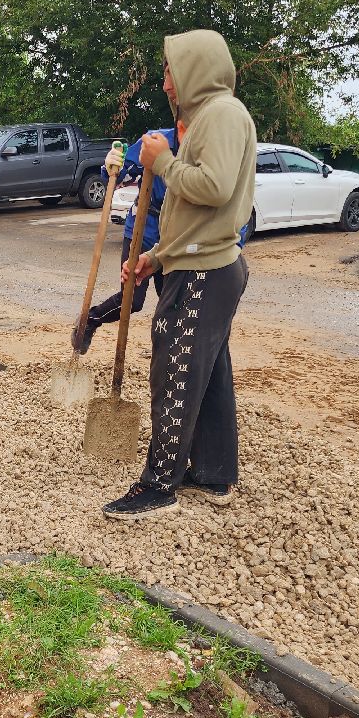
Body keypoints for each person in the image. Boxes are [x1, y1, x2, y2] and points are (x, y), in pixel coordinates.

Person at [103, 30, 256, 520]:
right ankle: (213, 473)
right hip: (193, 263)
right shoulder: (205, 118)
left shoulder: (223, 115)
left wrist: (161, 161)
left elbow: (213, 188)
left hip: (207, 273)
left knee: (175, 372)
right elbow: (191, 214)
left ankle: (159, 485)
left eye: (170, 71)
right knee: (207, 375)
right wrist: (157, 257)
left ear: (195, 69)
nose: (166, 84)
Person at [73, 127, 175, 354]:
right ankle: (91, 319)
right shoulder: (158, 140)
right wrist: (111, 166)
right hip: (144, 229)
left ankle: (167, 358)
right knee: (132, 300)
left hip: (175, 236)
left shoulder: (202, 148)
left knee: (171, 303)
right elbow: (119, 175)